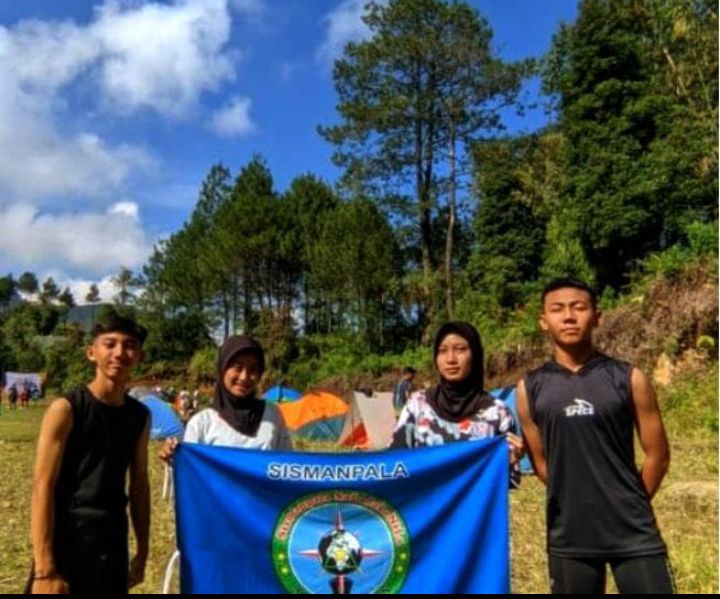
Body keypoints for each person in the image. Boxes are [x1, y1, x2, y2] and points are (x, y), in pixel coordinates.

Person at [516, 278, 675, 594]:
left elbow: (658, 454)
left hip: (633, 531)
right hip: (569, 534)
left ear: (597, 317)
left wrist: (632, 502)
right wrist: (576, 497)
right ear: (544, 321)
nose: (569, 316)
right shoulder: (529, 388)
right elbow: (540, 462)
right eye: (558, 309)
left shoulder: (629, 377)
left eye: (579, 307)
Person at [28, 315, 150, 594]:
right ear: (91, 353)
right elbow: (42, 486)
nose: (120, 353)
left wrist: (142, 551)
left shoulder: (139, 416)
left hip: (112, 540)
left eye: (130, 346)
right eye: (110, 344)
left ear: (139, 356)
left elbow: (140, 486)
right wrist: (45, 569)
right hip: (67, 538)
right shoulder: (67, 409)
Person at [389, 322, 523, 487]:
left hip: (474, 512)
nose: (451, 359)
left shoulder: (497, 413)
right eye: (442, 351)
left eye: (460, 349)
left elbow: (508, 484)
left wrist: (511, 460)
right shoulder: (417, 406)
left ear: (475, 355)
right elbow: (393, 467)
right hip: (426, 511)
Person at [160, 335, 292, 460]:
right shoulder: (202, 423)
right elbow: (192, 473)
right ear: (222, 369)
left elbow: (287, 468)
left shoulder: (272, 416)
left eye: (253, 370)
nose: (244, 377)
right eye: (237, 367)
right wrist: (175, 458)